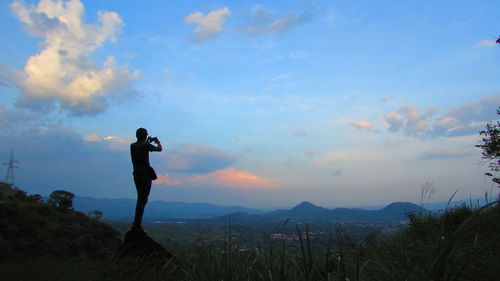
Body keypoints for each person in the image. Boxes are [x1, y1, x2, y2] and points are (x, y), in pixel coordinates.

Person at [130, 127, 162, 231]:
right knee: (143, 200)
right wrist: (157, 141)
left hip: (136, 174)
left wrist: (147, 141)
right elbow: (160, 149)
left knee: (140, 198)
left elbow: (141, 148)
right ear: (145, 135)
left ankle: (137, 223)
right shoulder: (145, 145)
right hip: (145, 175)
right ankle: (137, 224)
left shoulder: (133, 146)